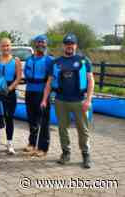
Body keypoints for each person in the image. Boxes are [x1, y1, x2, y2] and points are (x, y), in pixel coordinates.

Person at [41, 33, 94, 169]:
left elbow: (90, 80)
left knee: (83, 129)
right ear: (63, 46)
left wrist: (88, 99)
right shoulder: (56, 62)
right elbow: (49, 82)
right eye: (67, 44)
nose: (69, 46)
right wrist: (44, 99)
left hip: (80, 101)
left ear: (76, 45)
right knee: (62, 129)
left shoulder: (83, 60)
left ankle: (86, 154)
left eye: (72, 44)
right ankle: (66, 153)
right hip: (61, 101)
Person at [23, 35, 54, 157]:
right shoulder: (29, 59)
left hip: (42, 93)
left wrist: (47, 97)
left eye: (43, 42)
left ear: (46, 44)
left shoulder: (49, 60)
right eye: (39, 42)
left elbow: (51, 79)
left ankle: (43, 147)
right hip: (30, 91)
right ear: (35, 44)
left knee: (44, 121)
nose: (41, 44)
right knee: (32, 119)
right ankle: (32, 143)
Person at [0, 38, 22, 154]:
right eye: (3, 46)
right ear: (0, 47)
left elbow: (18, 77)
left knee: (9, 119)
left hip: (10, 91)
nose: (5, 48)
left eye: (7, 45)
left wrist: (9, 88)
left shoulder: (16, 60)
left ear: (10, 46)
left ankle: (9, 143)